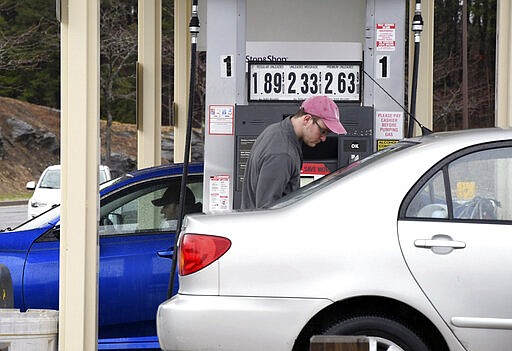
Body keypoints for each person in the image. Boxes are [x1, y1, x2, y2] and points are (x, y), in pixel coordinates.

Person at [241, 95, 346, 210]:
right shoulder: (282, 154)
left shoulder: (275, 130)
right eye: (323, 131)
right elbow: (267, 212)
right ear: (307, 119)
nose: (324, 138)